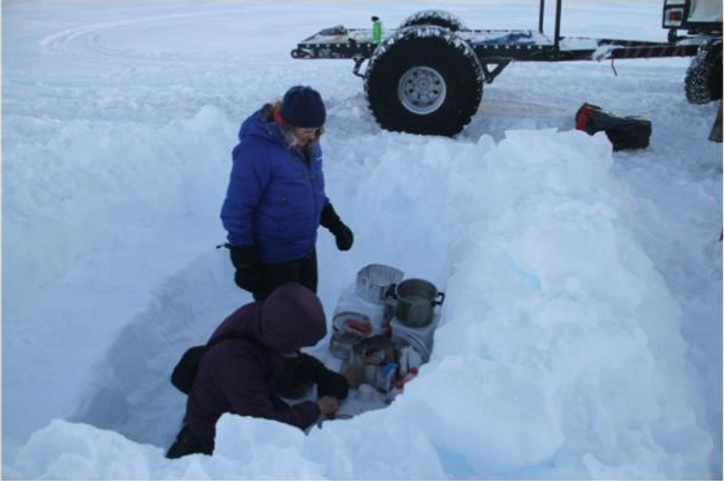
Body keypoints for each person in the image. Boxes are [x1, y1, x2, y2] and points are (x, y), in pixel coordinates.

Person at [166, 283, 349, 459]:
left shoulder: (263, 316)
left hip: (239, 395)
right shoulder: (238, 363)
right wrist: (317, 408)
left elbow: (282, 354)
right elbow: (265, 426)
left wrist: (320, 373)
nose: (298, 349)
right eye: (297, 345)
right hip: (216, 428)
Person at [221, 86, 354, 301]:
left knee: (305, 314)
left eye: (317, 130)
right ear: (287, 125)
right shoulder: (256, 151)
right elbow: (236, 210)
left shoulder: (309, 145)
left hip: (305, 251)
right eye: (306, 131)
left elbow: (312, 191)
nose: (312, 137)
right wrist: (244, 260)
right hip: (273, 260)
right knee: (278, 327)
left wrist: (335, 224)